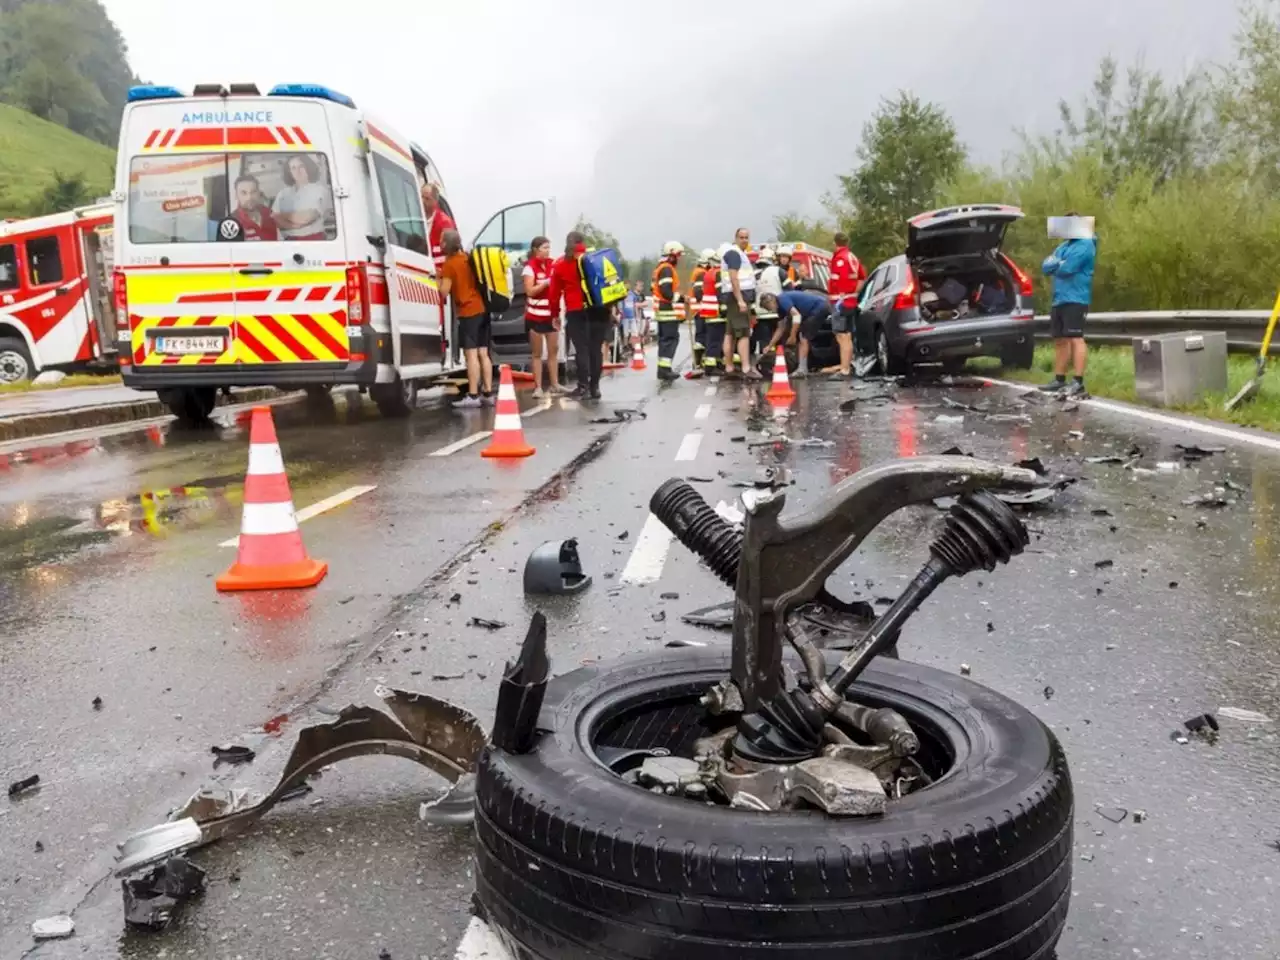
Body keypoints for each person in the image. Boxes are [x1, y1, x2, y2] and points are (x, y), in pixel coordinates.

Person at [1040, 215, 1098, 397]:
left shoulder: (1086, 244)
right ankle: (1059, 379)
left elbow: (1067, 269)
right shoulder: (1064, 246)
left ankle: (1078, 381)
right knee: (1059, 340)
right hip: (1059, 299)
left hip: (1076, 298)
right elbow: (1045, 266)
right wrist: (1058, 263)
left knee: (1075, 338)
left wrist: (1057, 263)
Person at [549, 231, 609, 399]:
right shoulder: (594, 259)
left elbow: (554, 293)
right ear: (583, 242)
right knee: (595, 349)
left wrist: (555, 314)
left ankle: (583, 386)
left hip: (576, 311)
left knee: (581, 349)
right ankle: (595, 387)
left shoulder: (560, 264)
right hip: (599, 309)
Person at [438, 229, 493, 408]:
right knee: (483, 353)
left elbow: (444, 292)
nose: (439, 243)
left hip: (468, 312)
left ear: (446, 244)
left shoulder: (450, 264)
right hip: (482, 309)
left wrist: (437, 280)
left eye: (441, 241)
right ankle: (487, 392)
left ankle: (473, 395)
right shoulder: (469, 258)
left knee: (471, 355)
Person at [523, 236, 562, 398]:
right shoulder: (529, 268)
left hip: (551, 315)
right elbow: (529, 291)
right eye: (544, 247)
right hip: (535, 316)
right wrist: (545, 283)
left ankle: (555, 384)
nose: (548, 250)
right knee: (537, 353)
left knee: (553, 351)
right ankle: (538, 387)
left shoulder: (553, 264)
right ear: (536, 249)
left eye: (548, 247)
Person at [760, 289, 829, 378]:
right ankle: (802, 366)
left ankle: (802, 370)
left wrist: (792, 336)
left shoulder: (782, 300)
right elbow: (780, 328)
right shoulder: (780, 308)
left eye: (768, 307)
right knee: (802, 336)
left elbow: (796, 316)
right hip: (813, 310)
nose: (769, 310)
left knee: (803, 337)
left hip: (818, 307)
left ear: (772, 301)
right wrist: (770, 345)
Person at [719, 227, 760, 378]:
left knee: (729, 333)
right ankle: (745, 368)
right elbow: (733, 277)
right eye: (741, 237)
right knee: (743, 333)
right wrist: (741, 300)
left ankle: (729, 367)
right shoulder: (735, 254)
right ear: (735, 238)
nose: (744, 240)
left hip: (733, 297)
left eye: (746, 237)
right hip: (738, 297)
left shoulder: (738, 254)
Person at [827, 231, 866, 379]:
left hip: (840, 302)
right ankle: (847, 366)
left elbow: (838, 281)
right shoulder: (853, 258)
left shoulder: (840, 259)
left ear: (835, 243)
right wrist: (853, 294)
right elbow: (862, 278)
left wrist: (842, 297)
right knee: (848, 335)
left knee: (841, 335)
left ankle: (844, 369)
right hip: (849, 302)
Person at [271, 155, 332, 241]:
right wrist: (297, 222)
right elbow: (275, 221)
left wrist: (281, 216)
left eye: (301, 166)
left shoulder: (320, 190)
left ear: (309, 168)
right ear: (289, 172)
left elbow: (307, 217)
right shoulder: (282, 194)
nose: (297, 171)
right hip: (288, 241)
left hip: (314, 240)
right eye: (293, 168)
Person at [651, 241, 685, 382]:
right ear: (672, 255)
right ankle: (665, 369)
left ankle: (663, 369)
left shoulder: (660, 268)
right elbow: (666, 291)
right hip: (667, 310)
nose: (679, 259)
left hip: (662, 310)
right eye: (678, 255)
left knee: (665, 340)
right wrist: (681, 298)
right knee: (670, 339)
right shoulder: (667, 269)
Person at [753, 245, 784, 362]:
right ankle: (779, 363)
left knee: (764, 342)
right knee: (779, 340)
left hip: (761, 314)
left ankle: (765, 364)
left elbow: (751, 294)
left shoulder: (753, 274)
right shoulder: (779, 271)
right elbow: (789, 289)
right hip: (778, 313)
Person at [698, 248, 725, 374]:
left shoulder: (710, 272)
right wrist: (724, 308)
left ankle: (716, 363)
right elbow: (721, 293)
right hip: (716, 312)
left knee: (713, 338)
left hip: (709, 311)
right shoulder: (719, 273)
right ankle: (711, 367)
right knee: (716, 339)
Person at [420, 182, 456, 274]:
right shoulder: (415, 215)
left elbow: (451, 255)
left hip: (439, 276)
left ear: (435, 202)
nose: (422, 201)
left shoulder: (445, 223)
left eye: (427, 199)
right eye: (421, 197)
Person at [686, 250, 712, 375]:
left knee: (700, 337)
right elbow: (698, 292)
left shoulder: (697, 272)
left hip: (698, 309)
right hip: (701, 309)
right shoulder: (702, 273)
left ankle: (698, 362)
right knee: (703, 337)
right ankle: (700, 362)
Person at [231, 175, 279, 241]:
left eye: (253, 192)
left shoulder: (269, 213)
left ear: (259, 193)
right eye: (243, 193)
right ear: (236, 196)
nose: (249, 197)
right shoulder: (231, 222)